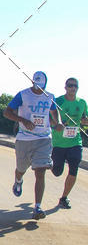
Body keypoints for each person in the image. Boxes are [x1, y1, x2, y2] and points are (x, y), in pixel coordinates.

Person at [4, 70, 61, 220]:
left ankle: (37, 207)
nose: (39, 89)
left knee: (40, 172)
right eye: (37, 86)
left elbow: (54, 112)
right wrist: (22, 120)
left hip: (44, 139)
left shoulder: (50, 96)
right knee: (21, 169)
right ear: (32, 82)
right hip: (24, 139)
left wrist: (58, 122)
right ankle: (18, 181)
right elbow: (7, 112)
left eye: (41, 86)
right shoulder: (23, 95)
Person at [51, 77, 88, 209]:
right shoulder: (58, 101)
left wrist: (85, 121)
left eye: (75, 86)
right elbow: (49, 119)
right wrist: (57, 124)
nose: (73, 88)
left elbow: (85, 119)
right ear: (65, 87)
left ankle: (64, 198)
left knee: (74, 168)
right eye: (70, 85)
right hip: (59, 143)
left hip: (75, 142)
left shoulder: (82, 102)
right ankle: (49, 164)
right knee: (57, 172)